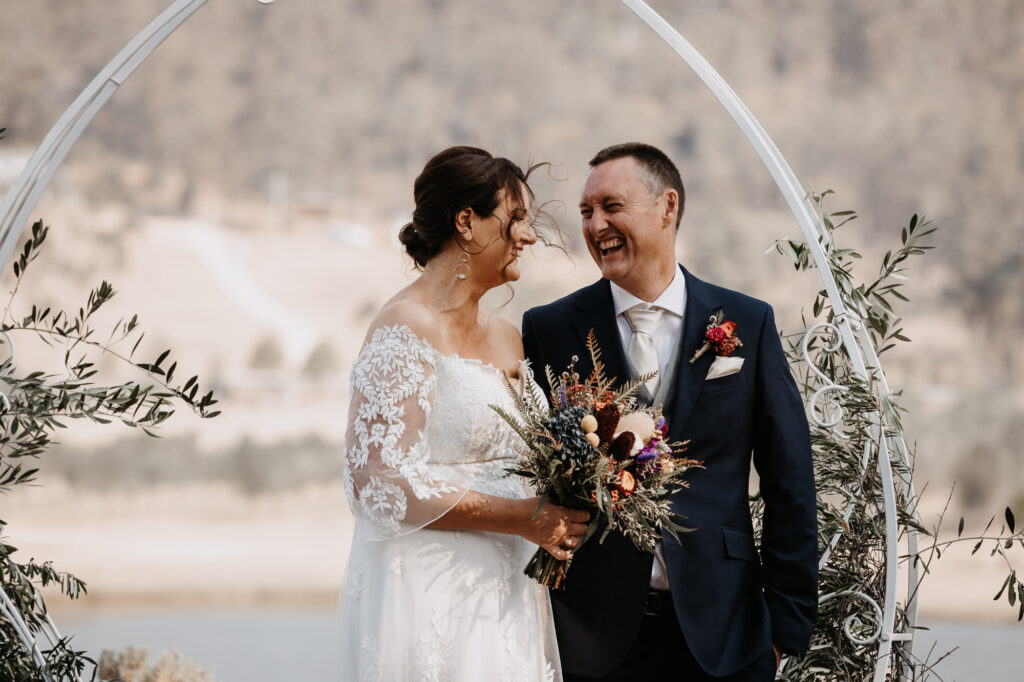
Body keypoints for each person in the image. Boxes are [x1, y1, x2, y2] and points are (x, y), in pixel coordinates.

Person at [522, 142, 818, 681]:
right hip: (591, 641)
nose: (595, 225)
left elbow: (790, 482)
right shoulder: (549, 329)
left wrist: (783, 634)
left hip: (726, 639)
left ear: (668, 206)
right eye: (586, 212)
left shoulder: (747, 324)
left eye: (612, 206)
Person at [338, 145, 588, 681]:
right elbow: (378, 481)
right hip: (427, 590)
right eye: (517, 218)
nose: (529, 235)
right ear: (467, 222)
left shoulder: (508, 337)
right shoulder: (405, 326)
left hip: (508, 593)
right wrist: (522, 518)